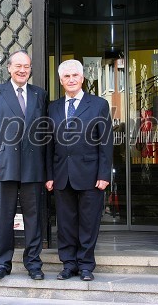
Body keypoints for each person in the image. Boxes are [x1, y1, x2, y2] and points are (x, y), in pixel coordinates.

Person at [45, 59, 113, 281]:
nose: (71, 80)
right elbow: (48, 145)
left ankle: (85, 266)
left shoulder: (98, 105)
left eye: (75, 75)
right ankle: (68, 264)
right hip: (61, 175)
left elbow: (106, 142)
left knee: (88, 222)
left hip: (90, 175)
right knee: (65, 224)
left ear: (82, 78)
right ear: (61, 80)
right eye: (67, 76)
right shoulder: (53, 107)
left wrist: (104, 174)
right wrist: (49, 175)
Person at [0, 50, 47, 280]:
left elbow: (44, 132)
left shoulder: (40, 94)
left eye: (27, 66)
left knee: (33, 218)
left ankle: (33, 264)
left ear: (30, 70)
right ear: (9, 68)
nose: (22, 70)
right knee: (5, 217)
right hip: (4, 165)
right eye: (18, 66)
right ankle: (2, 263)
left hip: (33, 166)